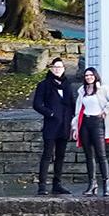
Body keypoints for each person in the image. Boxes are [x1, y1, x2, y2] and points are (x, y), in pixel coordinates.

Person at [30, 55, 77, 195]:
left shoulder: (67, 85)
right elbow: (37, 104)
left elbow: (72, 104)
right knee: (47, 155)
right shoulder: (44, 85)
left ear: (64, 69)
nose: (57, 70)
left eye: (60, 67)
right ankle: (42, 185)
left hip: (65, 125)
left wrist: (74, 119)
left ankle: (57, 184)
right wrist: (50, 114)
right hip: (51, 126)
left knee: (61, 156)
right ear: (51, 69)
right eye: (55, 67)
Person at [75, 64, 109, 196]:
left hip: (97, 123)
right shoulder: (82, 90)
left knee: (101, 155)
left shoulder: (104, 89)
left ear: (95, 76)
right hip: (85, 123)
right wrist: (75, 126)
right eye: (86, 75)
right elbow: (78, 110)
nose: (89, 77)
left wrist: (106, 110)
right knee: (89, 155)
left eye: (91, 75)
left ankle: (106, 185)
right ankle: (92, 184)